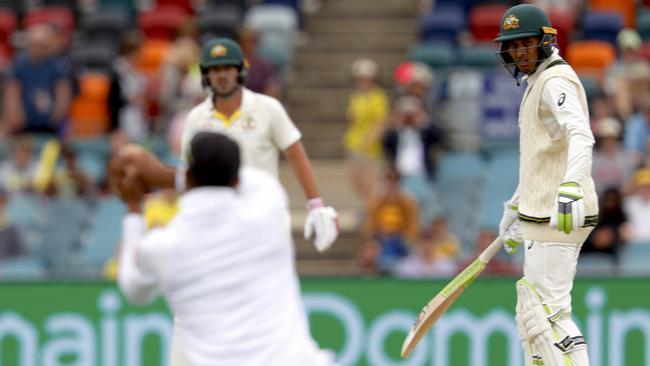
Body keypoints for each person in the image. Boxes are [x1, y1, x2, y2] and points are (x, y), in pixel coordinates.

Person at [116, 130, 336, 365]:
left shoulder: (165, 245)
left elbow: (133, 289)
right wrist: (165, 175)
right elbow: (251, 178)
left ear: (189, 176)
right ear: (235, 180)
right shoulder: (268, 206)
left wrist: (132, 207)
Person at [117, 37, 338, 252]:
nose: (222, 75)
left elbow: (296, 154)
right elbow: (189, 174)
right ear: (206, 75)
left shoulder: (268, 108)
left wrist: (315, 204)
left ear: (240, 71)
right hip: (217, 221)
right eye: (215, 69)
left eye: (228, 68)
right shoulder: (197, 118)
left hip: (263, 215)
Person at [494, 4, 598, 365]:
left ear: (545, 41)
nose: (519, 53)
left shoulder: (554, 81)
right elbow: (541, 158)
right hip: (542, 210)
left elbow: (581, 135)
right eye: (513, 45)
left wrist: (570, 189)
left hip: (560, 213)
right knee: (534, 310)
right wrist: (514, 207)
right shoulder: (538, 80)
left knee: (551, 312)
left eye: (526, 43)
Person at [343, 57, 389, 204]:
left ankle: (370, 208)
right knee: (354, 177)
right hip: (354, 141)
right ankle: (367, 205)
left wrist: (372, 137)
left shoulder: (378, 96)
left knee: (369, 180)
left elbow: (381, 120)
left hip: (370, 145)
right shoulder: (356, 96)